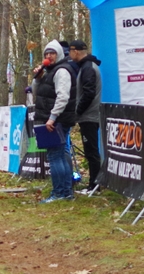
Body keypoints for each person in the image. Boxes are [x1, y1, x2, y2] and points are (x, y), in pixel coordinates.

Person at [32, 40, 77, 203]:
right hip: (52, 119)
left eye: (52, 53)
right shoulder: (49, 72)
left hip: (57, 120)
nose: (49, 56)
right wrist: (37, 79)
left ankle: (60, 192)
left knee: (55, 156)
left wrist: (52, 117)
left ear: (59, 54)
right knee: (59, 155)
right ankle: (65, 192)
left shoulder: (62, 71)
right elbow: (36, 93)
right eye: (46, 53)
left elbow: (63, 97)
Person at [69, 40, 102, 194]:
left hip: (89, 115)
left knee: (91, 152)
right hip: (88, 115)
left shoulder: (88, 67)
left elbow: (89, 93)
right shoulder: (86, 66)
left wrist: (78, 111)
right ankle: (94, 185)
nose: (69, 55)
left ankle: (94, 186)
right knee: (90, 152)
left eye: (70, 51)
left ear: (75, 51)